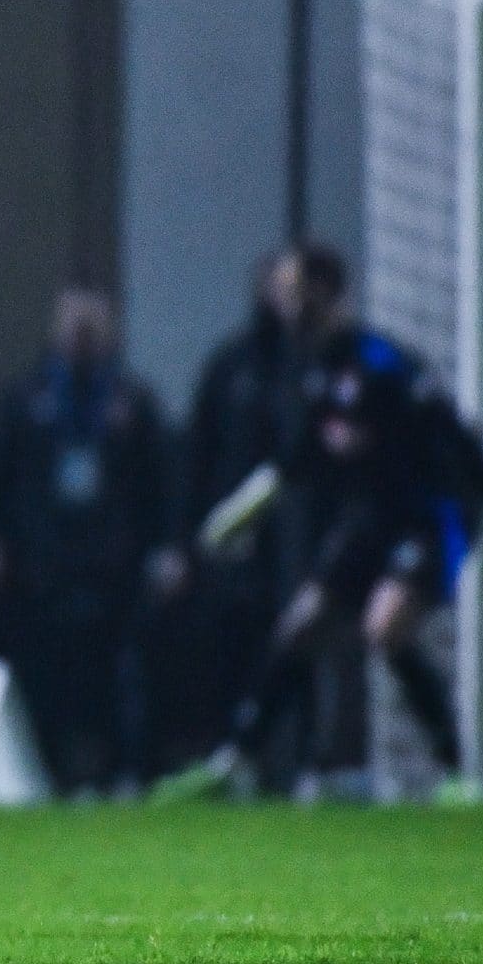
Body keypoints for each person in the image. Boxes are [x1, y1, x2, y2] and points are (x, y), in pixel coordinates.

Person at [156, 246, 483, 804]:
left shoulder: (380, 359)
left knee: (385, 630)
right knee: (301, 626)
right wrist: (253, 503)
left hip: (422, 516)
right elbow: (305, 457)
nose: (281, 299)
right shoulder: (313, 366)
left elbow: (448, 429)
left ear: (321, 290)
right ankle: (237, 762)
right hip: (366, 521)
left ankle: (457, 772)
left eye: (291, 287)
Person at [0, 288, 181, 796]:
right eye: (73, 325)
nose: (82, 336)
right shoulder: (25, 398)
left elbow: (164, 482)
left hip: (113, 558)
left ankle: (122, 772)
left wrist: (169, 547)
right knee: (47, 669)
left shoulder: (132, 400)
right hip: (43, 558)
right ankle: (51, 773)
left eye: (93, 325)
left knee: (119, 669)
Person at [170, 249, 309, 777]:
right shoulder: (230, 366)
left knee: (298, 640)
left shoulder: (313, 364)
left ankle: (299, 763)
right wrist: (190, 535)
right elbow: (197, 455)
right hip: (234, 537)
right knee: (229, 644)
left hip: (295, 538)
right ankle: (231, 757)